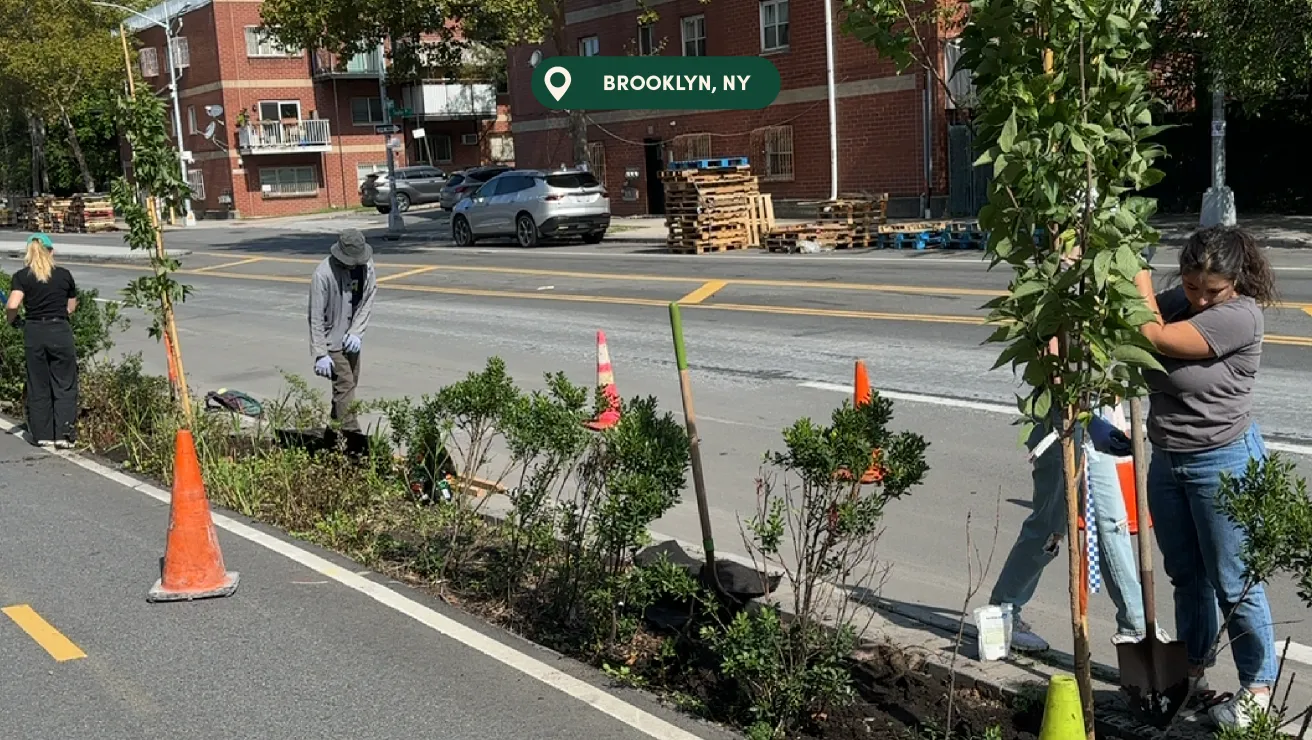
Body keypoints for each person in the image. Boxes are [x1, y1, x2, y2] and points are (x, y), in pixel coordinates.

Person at [1133, 225, 1279, 730]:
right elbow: (1132, 320)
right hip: (1168, 458)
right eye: (1192, 287)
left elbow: (1154, 334)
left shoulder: (1240, 315)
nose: (1198, 299)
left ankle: (1258, 685)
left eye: (1210, 291)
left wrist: (1133, 274)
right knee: (1186, 575)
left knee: (1234, 580)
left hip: (1222, 460)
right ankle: (1192, 672)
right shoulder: (1183, 298)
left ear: (1235, 280)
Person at [988, 401, 1156, 653]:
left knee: (1112, 525)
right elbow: (1055, 376)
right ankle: (1002, 613)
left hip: (1093, 417)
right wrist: (1090, 420)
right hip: (1063, 422)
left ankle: (1136, 626)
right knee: (1050, 528)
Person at [5, 233, 80, 449]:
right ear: (52, 252)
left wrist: (13, 321)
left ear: (28, 254)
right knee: (65, 382)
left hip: (34, 330)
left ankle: (42, 434)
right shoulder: (64, 275)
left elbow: (12, 305)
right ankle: (64, 434)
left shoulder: (22, 276)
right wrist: (60, 315)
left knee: (38, 383)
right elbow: (71, 307)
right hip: (59, 329)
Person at [308, 228, 376, 433]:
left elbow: (368, 299)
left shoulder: (366, 266)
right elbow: (316, 317)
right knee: (345, 385)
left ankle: (334, 432)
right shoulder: (323, 275)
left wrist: (357, 331)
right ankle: (351, 435)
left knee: (347, 388)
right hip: (332, 340)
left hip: (351, 340)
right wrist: (320, 353)